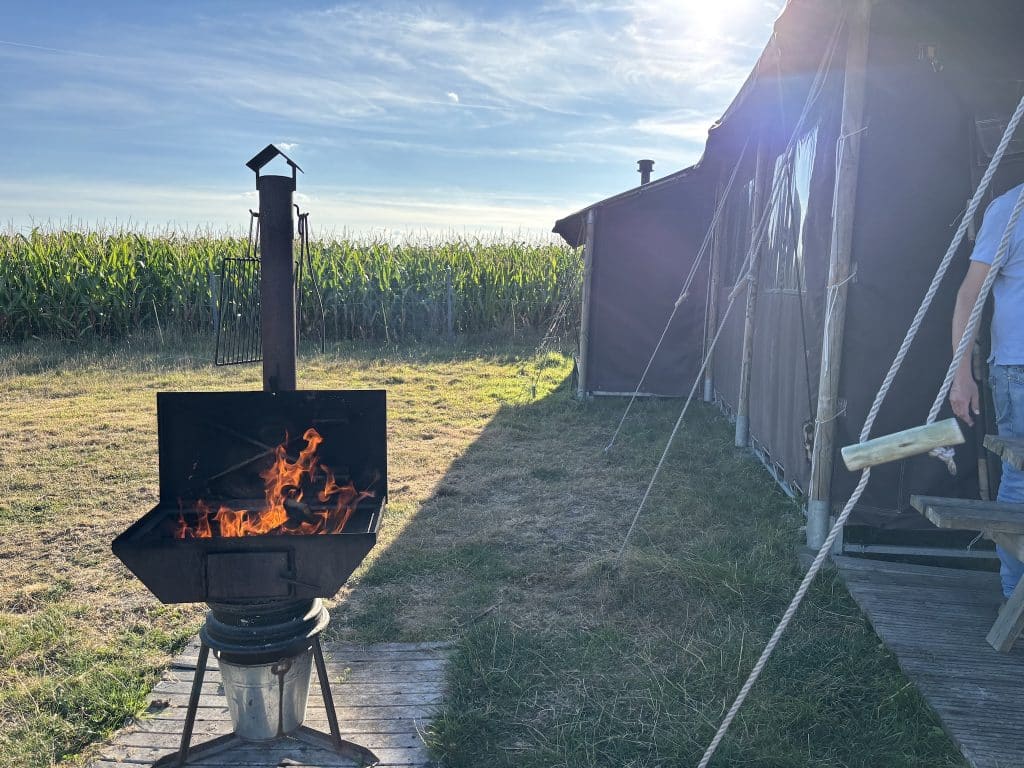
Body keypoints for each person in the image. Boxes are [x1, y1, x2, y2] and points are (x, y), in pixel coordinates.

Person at [950, 181, 1024, 599]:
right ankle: (1016, 600)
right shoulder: (1011, 209)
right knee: (1021, 478)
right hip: (1018, 369)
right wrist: (961, 373)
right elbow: (970, 295)